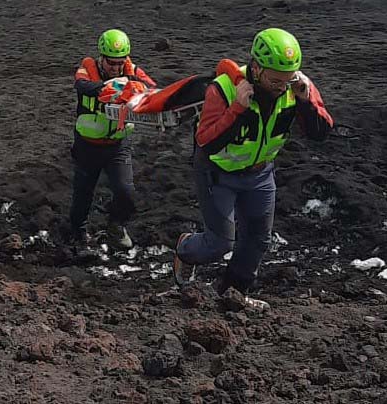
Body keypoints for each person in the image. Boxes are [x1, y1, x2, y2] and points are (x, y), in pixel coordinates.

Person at [173, 28, 333, 297]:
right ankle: (185, 250)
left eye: (288, 79)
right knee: (219, 243)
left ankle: (232, 294)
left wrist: (306, 102)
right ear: (256, 68)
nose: (282, 87)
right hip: (218, 173)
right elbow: (206, 142)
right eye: (275, 80)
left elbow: (320, 133)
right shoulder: (222, 89)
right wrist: (238, 109)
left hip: (260, 174)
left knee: (257, 240)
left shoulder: (298, 85)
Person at [71, 28, 156, 250]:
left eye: (120, 62)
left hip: (118, 145)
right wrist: (112, 87)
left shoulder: (132, 70)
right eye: (111, 62)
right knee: (83, 193)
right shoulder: (87, 68)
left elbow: (152, 88)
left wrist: (135, 86)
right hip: (87, 145)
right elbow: (81, 85)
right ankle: (78, 234)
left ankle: (116, 225)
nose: (116, 67)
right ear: (101, 57)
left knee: (126, 192)